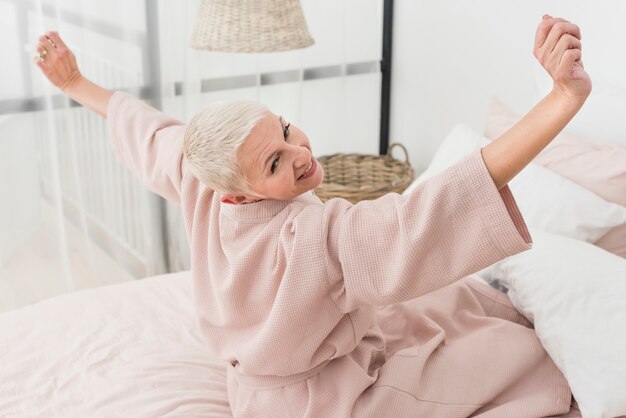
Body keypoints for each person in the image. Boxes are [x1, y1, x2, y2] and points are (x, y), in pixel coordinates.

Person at [34, 14, 590, 417]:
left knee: (457, 301)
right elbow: (435, 205)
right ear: (240, 196)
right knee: (530, 359)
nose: (300, 154)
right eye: (275, 161)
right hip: (321, 401)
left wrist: (73, 83)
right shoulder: (313, 240)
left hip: (261, 379)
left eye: (283, 128)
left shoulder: (201, 172)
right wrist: (562, 99)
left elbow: (146, 129)